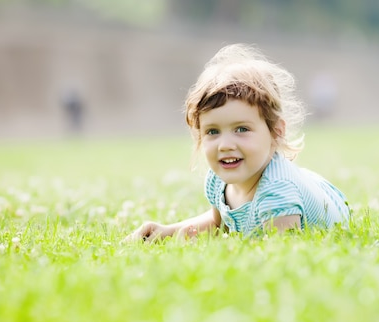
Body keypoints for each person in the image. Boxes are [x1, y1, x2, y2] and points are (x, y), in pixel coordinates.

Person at [125, 44, 349, 242]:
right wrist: (167, 231)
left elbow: (284, 254)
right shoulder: (217, 180)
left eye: (241, 129)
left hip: (329, 204)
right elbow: (218, 223)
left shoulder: (278, 194)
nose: (225, 145)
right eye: (213, 131)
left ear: (276, 132)